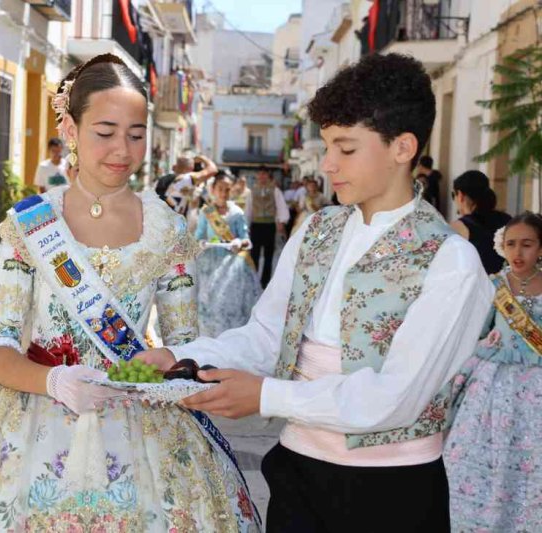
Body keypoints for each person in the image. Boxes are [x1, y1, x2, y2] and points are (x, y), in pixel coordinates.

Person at [0, 54, 260, 532]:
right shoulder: (30, 225)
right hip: (28, 426)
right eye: (105, 132)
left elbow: (185, 348)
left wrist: (172, 374)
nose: (122, 150)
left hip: (143, 428)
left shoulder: (168, 230)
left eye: (136, 134)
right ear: (70, 129)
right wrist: (53, 382)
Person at [138, 53, 494, 532]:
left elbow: (395, 398)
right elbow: (267, 337)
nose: (327, 164)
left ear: (403, 147)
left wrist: (267, 396)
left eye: (345, 149)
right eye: (327, 146)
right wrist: (183, 359)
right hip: (297, 474)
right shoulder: (317, 230)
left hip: (391, 488)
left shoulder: (451, 261)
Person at [445, 212, 542, 532]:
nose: (518, 252)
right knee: (488, 456)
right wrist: (486, 342)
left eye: (527, 244)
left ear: (540, 247)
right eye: (511, 244)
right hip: (494, 388)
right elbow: (472, 331)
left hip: (537, 385)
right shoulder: (494, 285)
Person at [194, 172, 263, 338]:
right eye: (220, 189)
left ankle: (228, 337)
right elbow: (198, 237)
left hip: (232, 266)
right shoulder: (206, 212)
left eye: (227, 189)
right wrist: (201, 243)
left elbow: (246, 240)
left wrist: (239, 242)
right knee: (209, 301)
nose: (223, 193)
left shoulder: (237, 213)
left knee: (229, 302)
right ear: (212, 189)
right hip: (209, 264)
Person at [451, 170, 512, 274]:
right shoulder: (508, 220)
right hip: (505, 281)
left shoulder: (458, 227)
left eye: (453, 195)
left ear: (460, 195)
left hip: (477, 282)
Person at [248, 167, 289, 288]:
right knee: (254, 254)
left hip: (269, 225)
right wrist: (247, 225)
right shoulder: (252, 191)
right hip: (256, 225)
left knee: (268, 255)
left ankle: (265, 282)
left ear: (268, 176)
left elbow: (281, 206)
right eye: (260, 174)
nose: (262, 176)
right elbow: (248, 209)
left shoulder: (275, 190)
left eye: (264, 174)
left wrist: (281, 221)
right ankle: (253, 280)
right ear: (257, 176)